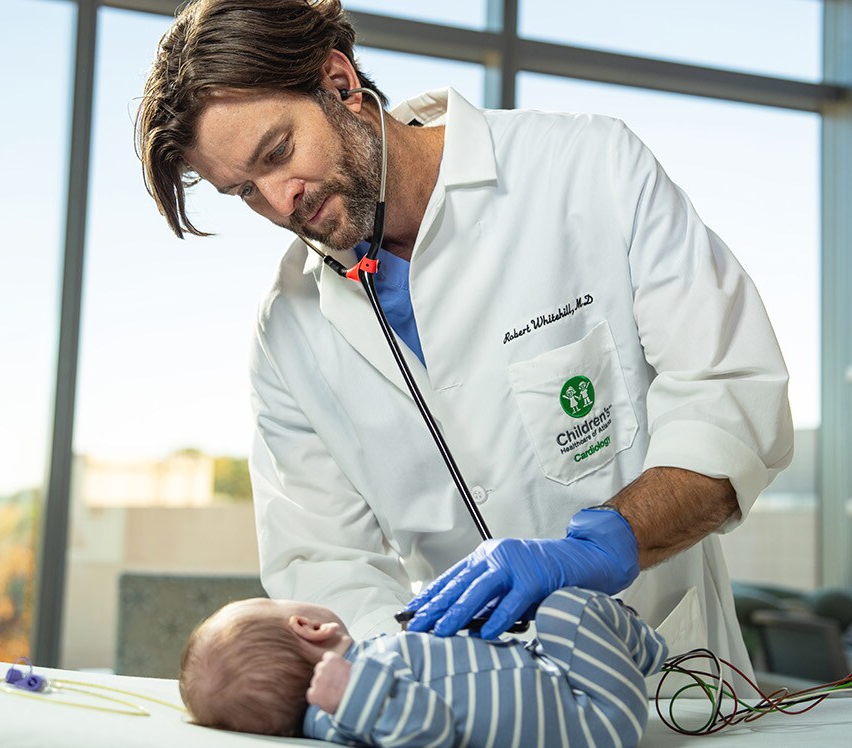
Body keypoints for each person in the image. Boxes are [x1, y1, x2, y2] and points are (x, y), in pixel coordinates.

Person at [136, 0, 792, 679]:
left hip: (669, 680)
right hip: (469, 700)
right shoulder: (287, 329)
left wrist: (609, 543)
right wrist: (404, 671)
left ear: (338, 82)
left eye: (278, 153)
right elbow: (324, 559)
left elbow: (732, 398)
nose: (280, 202)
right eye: (244, 189)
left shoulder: (587, 167)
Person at [179, 587, 669, 746]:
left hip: (556, 689)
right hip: (594, 716)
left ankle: (643, 654)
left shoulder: (359, 691)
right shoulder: (351, 709)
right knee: (568, 607)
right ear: (308, 627)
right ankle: (651, 651)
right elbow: (429, 728)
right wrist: (355, 695)